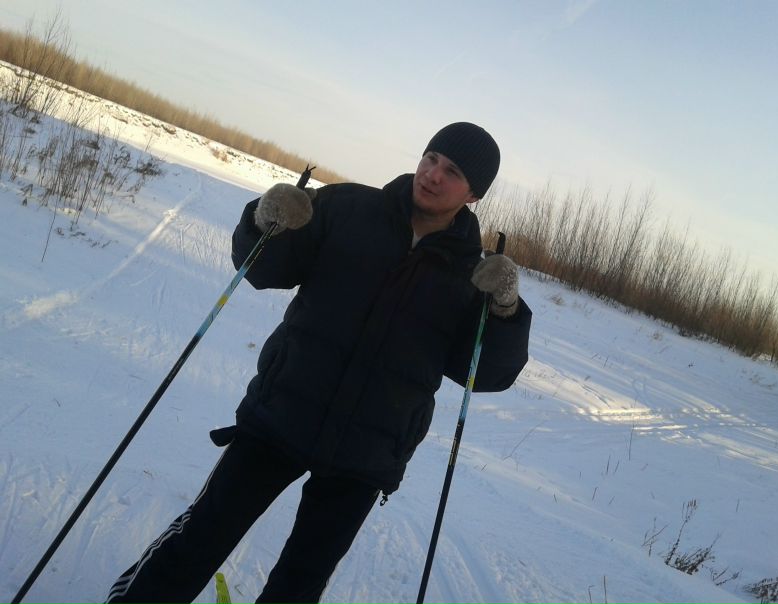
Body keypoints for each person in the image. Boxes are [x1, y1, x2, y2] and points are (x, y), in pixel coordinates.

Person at [105, 122, 531, 603]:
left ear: (473, 194)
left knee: (298, 586)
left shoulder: (474, 273)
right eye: (431, 158)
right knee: (199, 539)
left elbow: (485, 373)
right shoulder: (346, 207)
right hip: (280, 416)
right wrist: (264, 221)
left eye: (452, 171)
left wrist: (505, 311)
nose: (433, 174)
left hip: (366, 454)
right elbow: (262, 268)